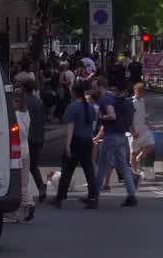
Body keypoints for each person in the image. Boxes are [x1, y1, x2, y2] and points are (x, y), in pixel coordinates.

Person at [51, 83, 101, 209]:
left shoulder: (73, 107)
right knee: (89, 169)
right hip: (87, 139)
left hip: (76, 140)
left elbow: (70, 127)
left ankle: (60, 197)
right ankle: (93, 197)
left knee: (67, 170)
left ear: (73, 93)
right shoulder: (90, 107)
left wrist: (67, 145)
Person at [96, 77, 140, 207]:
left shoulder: (109, 99)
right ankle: (131, 195)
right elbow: (129, 121)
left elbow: (112, 116)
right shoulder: (126, 102)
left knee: (102, 166)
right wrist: (132, 132)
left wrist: (101, 117)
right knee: (124, 166)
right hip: (122, 136)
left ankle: (94, 195)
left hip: (111, 135)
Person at [9, 91, 37, 222]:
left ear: (17, 101)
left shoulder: (16, 115)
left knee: (17, 182)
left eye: (13, 101)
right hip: (26, 149)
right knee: (24, 181)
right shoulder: (26, 113)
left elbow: (18, 132)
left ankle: (27, 203)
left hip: (17, 150)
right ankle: (27, 204)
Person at [21, 76, 48, 201]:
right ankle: (40, 186)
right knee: (33, 165)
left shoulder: (24, 101)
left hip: (26, 137)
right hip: (37, 136)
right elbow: (42, 121)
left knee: (23, 165)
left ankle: (23, 191)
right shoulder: (38, 101)